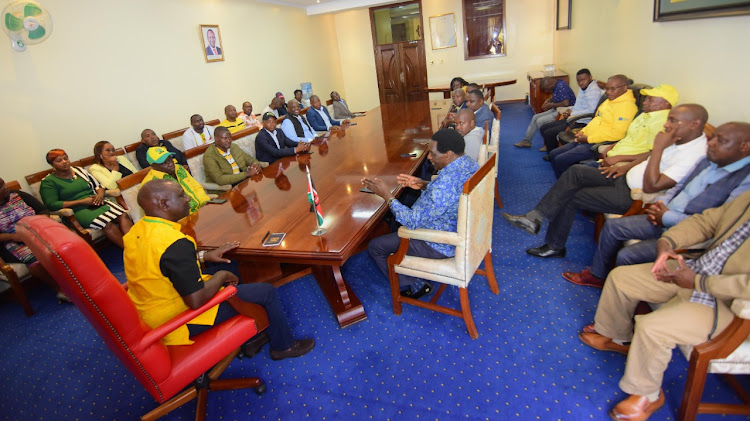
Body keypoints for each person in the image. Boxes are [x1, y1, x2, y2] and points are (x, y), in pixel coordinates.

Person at [579, 189, 750, 420]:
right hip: (699, 271)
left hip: (731, 304)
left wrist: (700, 281)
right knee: (622, 278)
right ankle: (617, 336)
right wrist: (668, 241)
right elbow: (706, 222)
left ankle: (647, 394)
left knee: (652, 328)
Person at [123, 178, 314, 359]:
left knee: (234, 267)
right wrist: (221, 277)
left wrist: (204, 256)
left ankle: (257, 332)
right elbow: (195, 300)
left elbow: (161, 263)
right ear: (163, 204)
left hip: (152, 305)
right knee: (266, 291)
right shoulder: (174, 243)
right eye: (181, 195)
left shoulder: (137, 231)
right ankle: (283, 346)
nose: (188, 197)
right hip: (175, 320)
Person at [501, 104, 709, 258]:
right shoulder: (681, 139)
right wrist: (625, 166)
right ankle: (535, 217)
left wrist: (659, 148)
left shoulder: (694, 154)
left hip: (632, 194)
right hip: (623, 176)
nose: (666, 124)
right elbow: (647, 157)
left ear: (694, 124)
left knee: (571, 196)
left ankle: (554, 245)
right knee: (576, 172)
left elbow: (652, 186)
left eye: (673, 120)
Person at [564, 122, 750, 288]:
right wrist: (662, 204)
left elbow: (718, 223)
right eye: (713, 137)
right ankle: (597, 275)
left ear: (745, 146)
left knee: (627, 255)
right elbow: (679, 186)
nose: (711, 143)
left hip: (690, 234)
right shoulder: (707, 160)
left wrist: (667, 216)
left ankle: (628, 295)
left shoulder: (745, 181)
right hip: (663, 214)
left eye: (721, 140)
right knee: (613, 226)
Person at [364, 129, 479, 298]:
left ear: (448, 154)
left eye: (432, 154)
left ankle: (406, 287)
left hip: (440, 242)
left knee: (376, 246)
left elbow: (411, 221)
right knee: (401, 211)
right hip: (462, 228)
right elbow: (448, 194)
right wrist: (425, 184)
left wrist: (386, 195)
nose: (429, 158)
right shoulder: (468, 163)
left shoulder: (444, 186)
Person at [546, 75, 639, 177]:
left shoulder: (626, 106)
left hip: (596, 144)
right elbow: (597, 119)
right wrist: (582, 132)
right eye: (607, 89)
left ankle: (567, 183)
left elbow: (618, 134)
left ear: (624, 88)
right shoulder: (610, 100)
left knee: (560, 159)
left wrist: (588, 139)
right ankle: (566, 180)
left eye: (613, 89)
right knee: (553, 154)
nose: (608, 92)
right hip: (586, 138)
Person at [40, 149, 132, 249]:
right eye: (59, 161)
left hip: (98, 202)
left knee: (123, 215)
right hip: (77, 211)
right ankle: (129, 250)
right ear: (52, 165)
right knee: (106, 223)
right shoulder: (48, 182)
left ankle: (135, 244)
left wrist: (100, 195)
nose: (64, 162)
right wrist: (81, 201)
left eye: (66, 158)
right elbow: (51, 204)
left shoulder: (78, 170)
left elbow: (99, 186)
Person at [0, 177, 67, 302]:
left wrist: (38, 224)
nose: (5, 188)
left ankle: (76, 280)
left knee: (63, 244)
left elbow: (42, 210)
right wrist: (14, 236)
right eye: (1, 187)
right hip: (14, 241)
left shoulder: (18, 194)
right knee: (35, 258)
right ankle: (60, 289)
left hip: (37, 231)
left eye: (4, 184)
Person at [539, 68, 604, 153]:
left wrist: (572, 113)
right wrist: (570, 110)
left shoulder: (593, 91)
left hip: (582, 121)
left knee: (549, 132)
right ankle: (553, 150)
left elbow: (592, 111)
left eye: (583, 80)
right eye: (578, 81)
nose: (580, 83)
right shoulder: (584, 87)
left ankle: (552, 153)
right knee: (544, 127)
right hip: (574, 117)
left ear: (590, 77)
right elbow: (578, 105)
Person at [141, 146, 209, 214]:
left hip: (201, 209)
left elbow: (196, 186)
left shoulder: (178, 168)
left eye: (170, 159)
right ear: (153, 166)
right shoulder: (150, 185)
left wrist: (205, 202)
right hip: (183, 218)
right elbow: (158, 213)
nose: (170, 164)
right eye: (164, 163)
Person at [513, 77, 576, 148]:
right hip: (557, 109)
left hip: (564, 111)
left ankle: (548, 143)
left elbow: (566, 103)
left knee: (540, 121)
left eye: (546, 89)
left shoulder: (561, 87)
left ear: (549, 84)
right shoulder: (557, 83)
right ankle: (527, 141)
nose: (547, 91)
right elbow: (557, 96)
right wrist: (549, 100)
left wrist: (551, 105)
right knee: (535, 117)